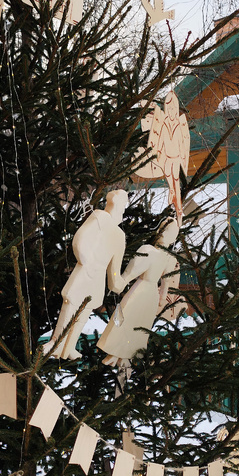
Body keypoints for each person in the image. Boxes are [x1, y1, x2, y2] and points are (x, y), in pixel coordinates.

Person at [41, 190, 129, 360]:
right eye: (122, 208)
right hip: (86, 270)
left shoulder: (119, 235)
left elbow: (115, 268)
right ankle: (56, 343)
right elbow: (80, 239)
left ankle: (70, 346)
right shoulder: (100, 217)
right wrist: (85, 259)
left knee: (84, 311)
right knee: (71, 305)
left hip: (97, 277)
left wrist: (118, 283)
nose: (123, 212)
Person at [97, 218, 180, 365]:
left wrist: (121, 281)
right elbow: (163, 280)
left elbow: (132, 274)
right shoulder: (157, 254)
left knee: (135, 321)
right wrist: (162, 298)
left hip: (145, 291)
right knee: (129, 318)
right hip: (146, 291)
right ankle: (116, 353)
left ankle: (125, 354)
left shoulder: (158, 254)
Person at [157, 91, 190, 225]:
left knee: (176, 180)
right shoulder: (164, 125)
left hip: (176, 158)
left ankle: (179, 211)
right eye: (168, 108)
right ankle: (172, 197)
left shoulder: (178, 125)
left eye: (173, 109)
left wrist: (182, 155)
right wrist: (159, 150)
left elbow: (182, 142)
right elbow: (160, 141)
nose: (171, 111)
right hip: (166, 158)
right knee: (170, 179)